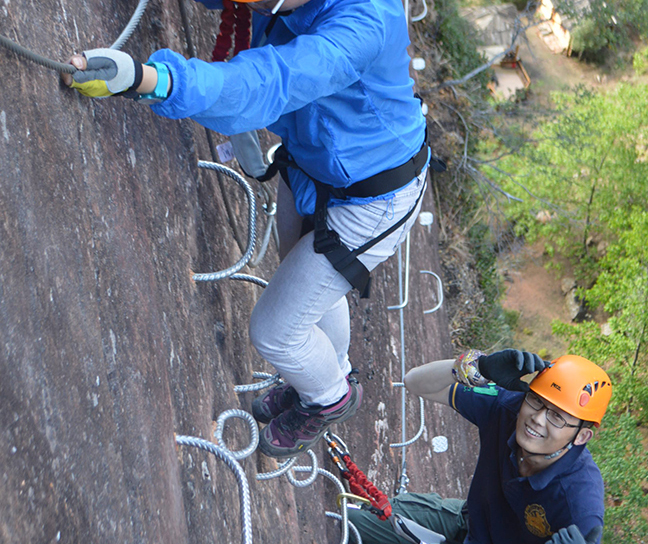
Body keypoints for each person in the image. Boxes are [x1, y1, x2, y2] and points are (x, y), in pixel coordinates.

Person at [62, 0, 431, 458]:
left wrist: (151, 80)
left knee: (276, 330)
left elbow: (269, 83)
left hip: (375, 196)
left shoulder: (365, 24)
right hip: (320, 162)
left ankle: (329, 398)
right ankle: (328, 372)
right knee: (310, 291)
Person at [348, 349, 611, 544]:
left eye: (557, 417)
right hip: (474, 530)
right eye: (537, 401)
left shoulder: (579, 498)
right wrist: (475, 367)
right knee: (357, 525)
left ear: (582, 436)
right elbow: (414, 382)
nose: (537, 419)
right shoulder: (509, 408)